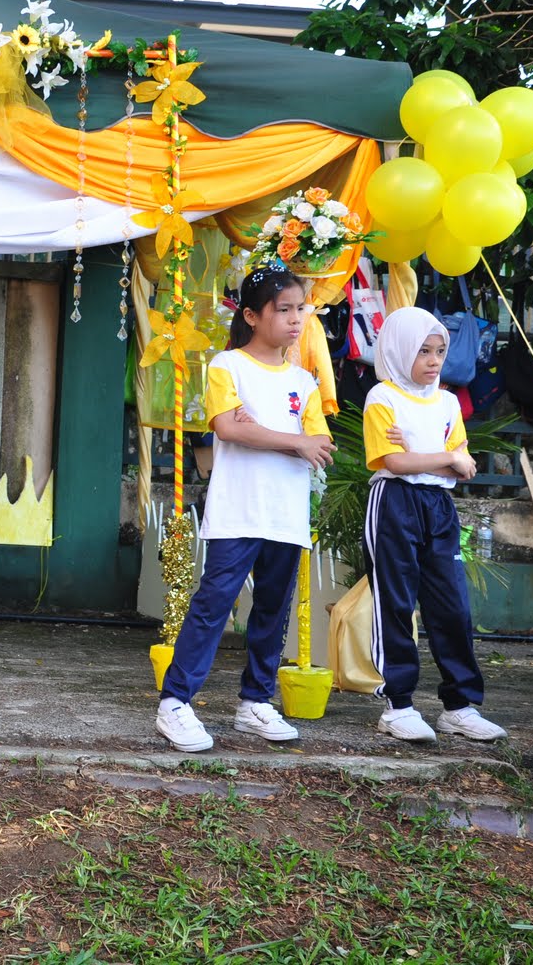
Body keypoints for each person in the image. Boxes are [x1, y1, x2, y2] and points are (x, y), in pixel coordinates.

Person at [156, 259, 333, 753]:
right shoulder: (226, 365)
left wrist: (269, 434)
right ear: (253, 316)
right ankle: (175, 701)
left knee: (272, 611)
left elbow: (319, 442)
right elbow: (228, 428)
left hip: (286, 511)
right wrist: (290, 441)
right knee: (214, 604)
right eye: (284, 309)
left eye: (301, 309)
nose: (296, 319)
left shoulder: (305, 382)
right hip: (239, 507)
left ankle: (255, 700)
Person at [361, 307, 505, 743]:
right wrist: (442, 457)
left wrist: (434, 458)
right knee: (396, 604)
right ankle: (398, 704)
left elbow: (466, 466)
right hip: (394, 504)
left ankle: (459, 706)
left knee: (453, 606)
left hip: (438, 507)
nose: (434, 360)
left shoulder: (446, 402)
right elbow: (396, 464)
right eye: (423, 351)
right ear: (401, 349)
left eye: (440, 351)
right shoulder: (382, 397)